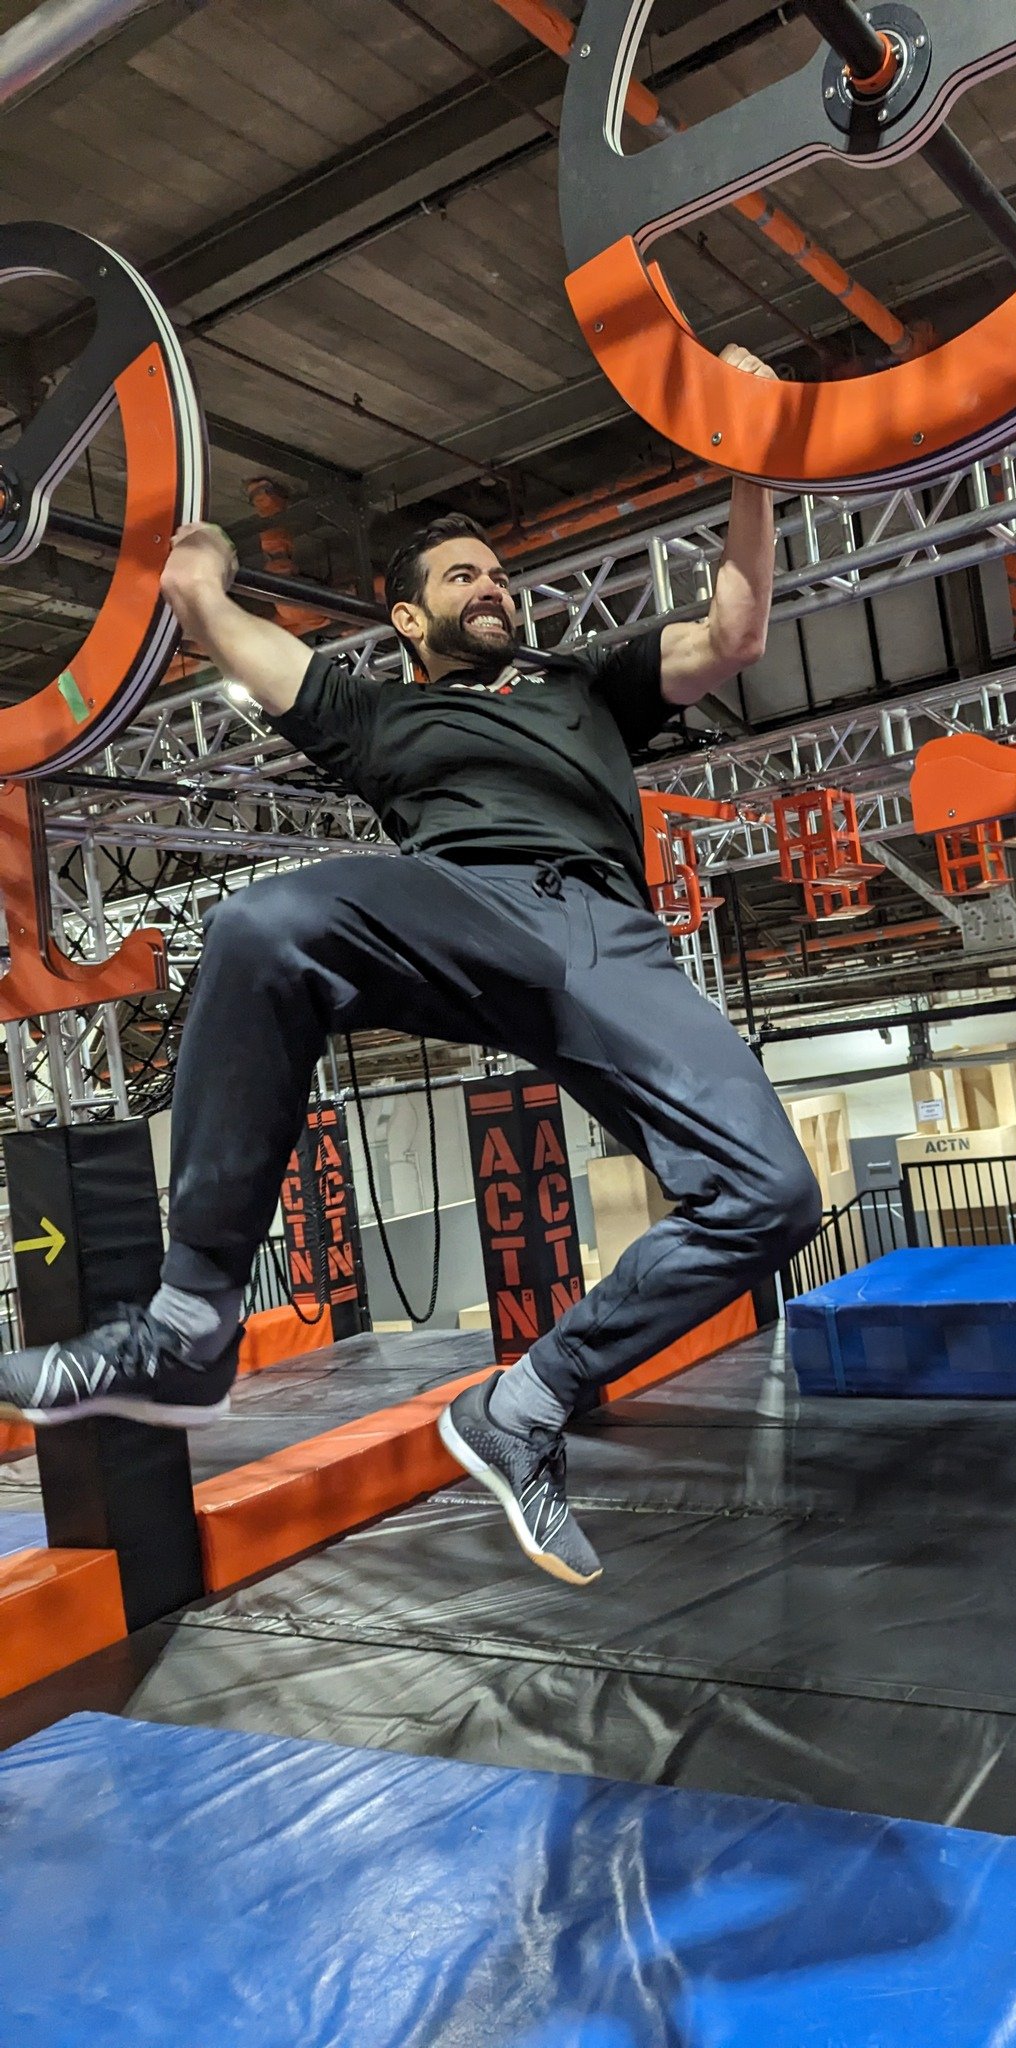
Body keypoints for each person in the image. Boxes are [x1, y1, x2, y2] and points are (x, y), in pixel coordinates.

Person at [0, 343, 822, 1588]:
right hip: (458, 907)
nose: (495, 587)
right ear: (406, 615)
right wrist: (200, 575)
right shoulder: (374, 714)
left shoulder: (587, 687)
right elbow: (225, 628)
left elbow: (738, 625)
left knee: (771, 1196)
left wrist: (751, 465)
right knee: (261, 928)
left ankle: (527, 1405)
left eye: (499, 573)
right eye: (462, 576)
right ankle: (186, 1324)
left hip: (609, 937)